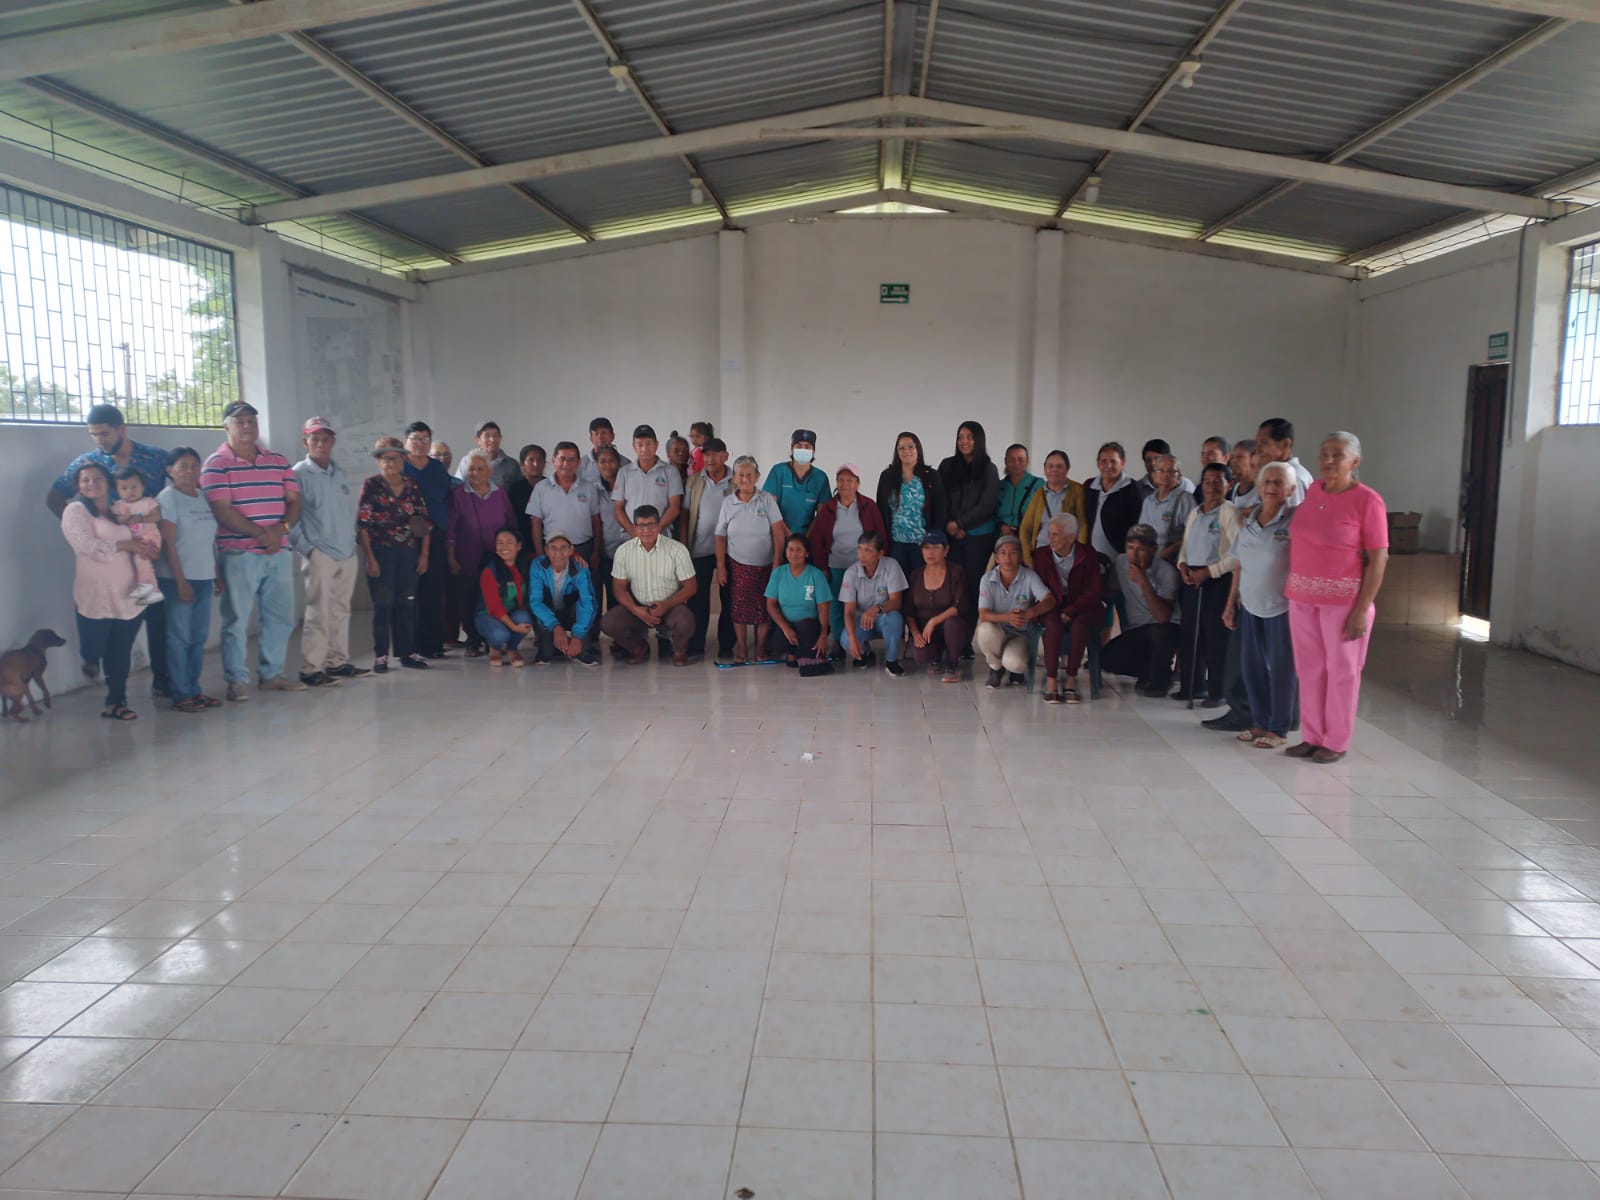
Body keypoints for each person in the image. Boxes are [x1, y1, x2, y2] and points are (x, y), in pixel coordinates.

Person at [46, 403, 171, 696]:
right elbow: (55, 497)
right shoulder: (87, 464)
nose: (99, 440)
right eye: (93, 434)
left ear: (121, 429)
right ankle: (104, 671)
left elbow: (178, 490)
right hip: (109, 561)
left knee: (156, 616)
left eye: (104, 433)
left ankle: (162, 681)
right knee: (108, 623)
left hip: (146, 554)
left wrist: (160, 534)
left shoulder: (155, 457)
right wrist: (83, 528)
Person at [1284, 432, 1389, 764]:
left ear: (1354, 461)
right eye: (1324, 453)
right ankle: (1312, 736)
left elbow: (1379, 558)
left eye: (1337, 454)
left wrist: (1362, 609)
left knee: (1342, 671)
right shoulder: (1313, 491)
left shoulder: (1368, 500)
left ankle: (1336, 740)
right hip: (1302, 596)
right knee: (1309, 669)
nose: (1328, 460)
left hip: (1344, 602)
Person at [202, 401, 304, 701]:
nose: (247, 426)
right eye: (240, 421)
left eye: (251, 420)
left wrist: (280, 530)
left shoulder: (278, 461)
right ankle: (237, 681)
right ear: (226, 426)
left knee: (280, 617)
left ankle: (272, 674)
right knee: (236, 621)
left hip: (278, 551)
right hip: (239, 553)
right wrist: (262, 534)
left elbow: (294, 501)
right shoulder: (216, 464)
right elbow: (222, 510)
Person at [61, 461, 155, 720]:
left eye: (97, 478)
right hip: (97, 591)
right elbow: (85, 546)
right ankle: (90, 659)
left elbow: (144, 533)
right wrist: (127, 546)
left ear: (109, 481)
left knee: (121, 649)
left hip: (132, 588)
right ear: (78, 485)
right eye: (85, 480)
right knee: (95, 646)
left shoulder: (119, 508)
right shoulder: (76, 510)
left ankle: (116, 701)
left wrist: (147, 546)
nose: (92, 483)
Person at [1224, 462, 1298, 748]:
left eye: (1279, 482)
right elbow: (1239, 565)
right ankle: (1259, 722)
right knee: (1251, 667)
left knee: (1281, 669)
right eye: (1267, 481)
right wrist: (1231, 602)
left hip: (1282, 607)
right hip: (1250, 605)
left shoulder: (1294, 521)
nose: (1271, 487)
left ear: (1291, 490)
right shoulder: (1247, 521)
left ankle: (1278, 729)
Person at [292, 416, 365, 688]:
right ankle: (312, 668)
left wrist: (351, 542)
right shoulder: (299, 474)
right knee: (318, 612)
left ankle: (337, 662)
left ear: (333, 441)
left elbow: (345, 512)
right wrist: (308, 549)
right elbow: (290, 518)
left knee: (341, 610)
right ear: (306, 442)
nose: (321, 444)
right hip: (320, 552)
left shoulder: (339, 472)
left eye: (326, 439)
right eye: (315, 439)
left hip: (345, 551)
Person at [156, 448, 222, 713]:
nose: (190, 471)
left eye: (195, 465)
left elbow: (209, 541)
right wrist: (180, 581)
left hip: (203, 576)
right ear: (169, 470)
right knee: (179, 638)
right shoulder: (168, 498)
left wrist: (216, 573)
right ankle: (180, 692)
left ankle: (194, 689)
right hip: (177, 579)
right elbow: (168, 544)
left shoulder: (202, 496)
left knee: (198, 637)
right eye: (183, 466)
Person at [359, 438, 431, 674]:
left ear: (403, 461)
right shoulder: (371, 485)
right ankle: (381, 655)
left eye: (397, 458)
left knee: (407, 603)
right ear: (378, 461)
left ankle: (407, 652)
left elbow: (424, 523)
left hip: (409, 552)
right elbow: (363, 525)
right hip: (381, 553)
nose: (391, 463)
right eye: (386, 458)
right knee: (383, 605)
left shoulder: (412, 485)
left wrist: (424, 554)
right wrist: (370, 558)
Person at [1175, 462, 1240, 706]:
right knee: (1191, 635)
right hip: (1192, 579)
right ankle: (1192, 687)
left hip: (1218, 581)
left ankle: (1217, 692)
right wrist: (1182, 564)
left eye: (1217, 481)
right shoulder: (1196, 512)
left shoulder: (1230, 512)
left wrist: (1209, 572)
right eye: (1207, 481)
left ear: (1229, 485)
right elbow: (1185, 546)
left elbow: (1237, 555)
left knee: (1215, 638)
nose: (1211, 486)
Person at [602, 504, 697, 665]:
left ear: (659, 525)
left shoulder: (677, 550)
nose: (646, 530)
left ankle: (679, 651)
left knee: (685, 621)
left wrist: (666, 605)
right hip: (639, 606)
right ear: (634, 527)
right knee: (609, 623)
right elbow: (619, 588)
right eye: (641, 525)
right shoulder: (624, 551)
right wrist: (636, 610)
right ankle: (638, 647)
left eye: (651, 525)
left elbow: (691, 587)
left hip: (670, 605)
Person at [808, 463, 887, 656]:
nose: (845, 484)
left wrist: (879, 562)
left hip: (864, 567)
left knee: (862, 605)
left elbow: (880, 535)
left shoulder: (869, 506)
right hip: (837, 566)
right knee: (837, 606)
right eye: (841, 480)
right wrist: (823, 567)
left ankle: (862, 643)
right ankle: (838, 643)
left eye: (850, 480)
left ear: (857, 483)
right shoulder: (828, 509)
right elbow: (817, 540)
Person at [715, 455, 787, 664]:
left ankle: (760, 647)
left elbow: (778, 534)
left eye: (749, 475)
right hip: (737, 564)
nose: (745, 479)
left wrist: (777, 564)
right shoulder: (728, 503)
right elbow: (720, 536)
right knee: (738, 608)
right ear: (734, 478)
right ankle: (742, 648)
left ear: (757, 476)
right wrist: (721, 566)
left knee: (764, 608)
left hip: (766, 566)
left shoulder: (766, 499)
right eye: (740, 475)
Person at [449, 449, 517, 656]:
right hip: (467, 556)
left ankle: (492, 638)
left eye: (480, 469)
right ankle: (472, 639)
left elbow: (511, 523)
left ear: (489, 472)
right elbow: (451, 529)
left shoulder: (499, 493)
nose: (476, 473)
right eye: (471, 469)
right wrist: (451, 556)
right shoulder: (458, 494)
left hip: (496, 557)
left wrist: (511, 553)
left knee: (492, 598)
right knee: (467, 599)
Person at [938, 420, 1000, 647]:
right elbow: (940, 498)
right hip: (951, 536)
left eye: (970, 437)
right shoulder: (947, 466)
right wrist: (951, 525)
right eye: (960, 437)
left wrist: (961, 523)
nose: (964, 441)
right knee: (952, 587)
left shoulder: (989, 469)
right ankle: (949, 638)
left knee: (972, 588)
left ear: (978, 440)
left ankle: (964, 643)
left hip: (979, 537)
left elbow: (987, 505)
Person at [1032, 514, 1105, 705]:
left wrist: (1071, 610)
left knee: (1080, 625)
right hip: (1051, 604)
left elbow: (1094, 590)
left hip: (1082, 605)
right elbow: (1038, 588)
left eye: (1056, 535)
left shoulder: (1088, 554)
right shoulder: (1041, 555)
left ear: (1072, 537)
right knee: (1052, 624)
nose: (1050, 539)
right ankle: (1051, 681)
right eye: (1049, 533)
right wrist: (1056, 608)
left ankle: (1071, 678)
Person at [1101, 525, 1180, 696]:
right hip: (1137, 628)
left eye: (1141, 549)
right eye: (1130, 548)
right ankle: (1148, 672)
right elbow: (1110, 591)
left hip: (1165, 628)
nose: (1134, 555)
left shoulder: (1167, 572)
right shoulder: (1121, 562)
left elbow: (1163, 617)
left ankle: (1160, 679)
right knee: (1106, 659)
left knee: (1160, 633)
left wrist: (1143, 582)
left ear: (1154, 549)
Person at [974, 534, 1055, 690]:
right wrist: (1008, 617)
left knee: (1016, 664)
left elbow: (1049, 600)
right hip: (998, 631)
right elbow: (984, 614)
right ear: (996, 558)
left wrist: (1030, 613)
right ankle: (996, 668)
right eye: (1003, 553)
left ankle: (1013, 670)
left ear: (1021, 557)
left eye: (1013, 553)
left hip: (1021, 634)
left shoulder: (1029, 576)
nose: (1007, 557)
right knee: (984, 630)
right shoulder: (987, 579)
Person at [402, 421, 452, 657]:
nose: (420, 444)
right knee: (409, 591)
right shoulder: (400, 466)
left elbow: (444, 496)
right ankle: (409, 645)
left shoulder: (437, 468)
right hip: (407, 536)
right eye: (415, 439)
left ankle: (432, 644)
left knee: (433, 589)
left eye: (425, 439)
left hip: (436, 534)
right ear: (406, 442)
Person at [681, 437, 734, 661]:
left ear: (725, 456)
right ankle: (695, 645)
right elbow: (685, 514)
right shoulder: (694, 481)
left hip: (730, 552)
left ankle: (727, 646)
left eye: (715, 454)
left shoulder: (736, 480)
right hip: (699, 550)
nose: (710, 459)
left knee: (729, 600)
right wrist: (684, 545)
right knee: (697, 601)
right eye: (706, 455)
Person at [876, 431, 947, 579]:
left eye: (910, 446)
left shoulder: (931, 476)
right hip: (895, 544)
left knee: (920, 585)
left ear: (918, 449)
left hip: (923, 545)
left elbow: (940, 509)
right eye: (901, 448)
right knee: (897, 586)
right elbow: (881, 509)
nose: (906, 451)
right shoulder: (887, 476)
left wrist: (933, 542)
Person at [840, 531, 908, 676]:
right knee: (845, 639)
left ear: (880, 553)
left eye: (868, 550)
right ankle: (864, 652)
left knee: (895, 618)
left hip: (884, 617)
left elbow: (896, 602)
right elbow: (849, 611)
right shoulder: (851, 573)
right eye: (859, 549)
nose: (862, 555)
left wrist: (877, 608)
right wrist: (852, 638)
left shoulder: (891, 566)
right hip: (862, 620)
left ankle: (891, 660)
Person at [527, 533, 600, 666]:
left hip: (570, 613)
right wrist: (555, 627)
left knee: (582, 651)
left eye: (563, 548)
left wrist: (578, 636)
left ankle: (582, 647)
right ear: (546, 550)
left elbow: (588, 603)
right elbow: (536, 602)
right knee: (546, 654)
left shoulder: (581, 570)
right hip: (549, 614)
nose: (558, 553)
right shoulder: (537, 566)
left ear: (571, 550)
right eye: (553, 548)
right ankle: (549, 645)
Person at [906, 530, 970, 682]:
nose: (930, 552)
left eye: (936, 547)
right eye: (926, 548)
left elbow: (959, 606)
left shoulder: (956, 572)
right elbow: (909, 611)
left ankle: (952, 665)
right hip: (927, 632)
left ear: (946, 550)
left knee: (952, 624)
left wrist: (934, 621)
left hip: (951, 628)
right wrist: (915, 634)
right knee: (921, 656)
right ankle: (937, 659)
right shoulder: (915, 575)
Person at [527, 441, 603, 565]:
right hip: (552, 550)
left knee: (585, 578)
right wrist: (540, 554)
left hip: (583, 549)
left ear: (578, 463)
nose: (566, 464)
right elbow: (536, 524)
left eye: (571, 459)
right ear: (554, 460)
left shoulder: (589, 488)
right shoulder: (541, 488)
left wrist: (596, 552)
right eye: (562, 459)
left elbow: (596, 521)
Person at [765, 533, 833, 665]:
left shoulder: (816, 575)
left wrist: (823, 635)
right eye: (790, 549)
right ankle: (794, 652)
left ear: (807, 553)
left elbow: (823, 608)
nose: (794, 553)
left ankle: (800, 653)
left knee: (806, 630)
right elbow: (771, 605)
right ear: (785, 552)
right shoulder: (778, 573)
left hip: (810, 626)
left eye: (799, 550)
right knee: (777, 643)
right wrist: (785, 628)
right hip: (787, 624)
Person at [475, 528, 533, 668]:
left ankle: (512, 649)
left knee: (524, 618)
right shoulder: (490, 570)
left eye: (509, 542)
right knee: (500, 635)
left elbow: (552, 553)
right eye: (500, 543)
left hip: (512, 612)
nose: (504, 547)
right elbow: (494, 607)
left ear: (519, 546)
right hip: (488, 615)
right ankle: (494, 648)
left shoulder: (526, 565)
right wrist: (513, 627)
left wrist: (574, 554)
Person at [615, 424, 683, 538]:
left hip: (661, 535)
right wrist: (632, 530)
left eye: (648, 444)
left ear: (656, 444)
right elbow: (618, 508)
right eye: (640, 444)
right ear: (633, 446)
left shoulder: (670, 471)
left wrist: (656, 528)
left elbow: (674, 507)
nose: (644, 449)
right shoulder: (624, 472)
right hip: (631, 536)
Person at [110, 466, 164, 606]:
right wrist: (123, 518)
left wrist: (141, 519)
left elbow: (157, 516)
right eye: (124, 488)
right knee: (134, 563)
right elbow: (113, 520)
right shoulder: (118, 506)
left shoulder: (148, 502)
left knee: (142, 559)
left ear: (143, 486)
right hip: (132, 542)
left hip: (149, 538)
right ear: (117, 490)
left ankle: (152, 590)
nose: (130, 491)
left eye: (134, 486)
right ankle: (143, 587)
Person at [1084, 442, 1143, 567]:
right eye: (1104, 461)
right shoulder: (1089, 485)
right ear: (1098, 463)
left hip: (1120, 557)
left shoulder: (1132, 488)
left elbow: (1137, 526)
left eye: (1113, 461)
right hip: (1091, 555)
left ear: (1123, 462)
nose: (1108, 465)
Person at [762, 428, 830, 537]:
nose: (803, 449)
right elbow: (770, 508)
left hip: (807, 538)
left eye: (807, 447)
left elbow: (821, 515)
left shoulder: (820, 478)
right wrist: (789, 536)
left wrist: (805, 539)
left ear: (814, 451)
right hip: (778, 535)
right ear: (791, 449)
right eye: (798, 446)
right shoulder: (778, 471)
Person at [1019, 449, 1088, 551]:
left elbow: (1082, 525)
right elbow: (1025, 528)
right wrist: (1027, 555)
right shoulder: (1039, 494)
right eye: (1050, 466)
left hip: (1067, 553)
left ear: (1067, 468)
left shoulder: (1077, 490)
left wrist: (1080, 552)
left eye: (1059, 466)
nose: (1054, 470)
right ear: (1045, 469)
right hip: (1041, 551)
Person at [1139, 454, 1196, 564]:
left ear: (1179, 475)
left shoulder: (1185, 499)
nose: (1166, 475)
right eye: (1161, 470)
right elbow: (1141, 532)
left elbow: (1194, 534)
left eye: (1171, 471)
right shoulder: (1149, 501)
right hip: (1149, 560)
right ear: (1154, 474)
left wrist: (1172, 549)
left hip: (1173, 561)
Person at [592, 444, 628, 608]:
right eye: (602, 461)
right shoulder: (594, 490)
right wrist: (596, 551)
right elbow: (595, 522)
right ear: (597, 464)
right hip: (606, 552)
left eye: (611, 461)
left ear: (619, 462)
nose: (607, 465)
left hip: (629, 552)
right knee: (608, 596)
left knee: (628, 597)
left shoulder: (629, 485)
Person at [1256, 418, 1313, 501]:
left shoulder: (1294, 477)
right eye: (1257, 443)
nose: (1258, 450)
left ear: (1285, 444)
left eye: (1264, 443)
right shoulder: (1273, 473)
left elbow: (1292, 509)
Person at [457, 420, 521, 489]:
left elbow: (519, 490)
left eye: (495, 435)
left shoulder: (512, 464)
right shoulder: (466, 461)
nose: (492, 439)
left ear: (500, 438)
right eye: (487, 436)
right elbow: (458, 486)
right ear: (478, 440)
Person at [996, 443, 1041, 539]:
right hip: (1003, 538)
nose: (1016, 463)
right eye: (1012, 460)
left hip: (1030, 538)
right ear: (1005, 461)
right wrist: (1001, 527)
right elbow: (990, 514)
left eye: (1020, 459)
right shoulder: (998, 486)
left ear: (1027, 461)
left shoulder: (1038, 484)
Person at [506, 444, 547, 546]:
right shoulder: (514, 489)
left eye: (539, 460)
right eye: (531, 460)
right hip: (523, 542)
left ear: (544, 463)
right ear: (522, 464)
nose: (535, 464)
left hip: (550, 540)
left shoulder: (551, 486)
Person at [579, 416, 630, 486]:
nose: (600, 437)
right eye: (596, 433)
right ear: (591, 439)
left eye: (604, 433)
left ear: (612, 436)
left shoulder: (626, 464)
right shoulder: (580, 465)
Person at [1228, 439, 1259, 507]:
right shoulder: (1235, 488)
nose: (1234, 461)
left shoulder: (1261, 490)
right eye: (1232, 457)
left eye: (1239, 457)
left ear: (1254, 459)